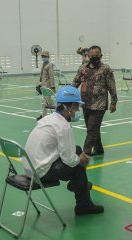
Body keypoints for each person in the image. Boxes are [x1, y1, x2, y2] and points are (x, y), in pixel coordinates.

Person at [24, 86, 104, 215]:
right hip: (41, 173)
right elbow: (69, 160)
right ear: (69, 107)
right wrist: (81, 159)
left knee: (77, 149)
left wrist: (78, 156)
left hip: (29, 167)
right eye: (76, 107)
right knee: (78, 167)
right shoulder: (63, 126)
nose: (77, 110)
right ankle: (83, 205)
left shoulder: (47, 119)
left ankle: (77, 184)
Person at [72, 45, 118, 156]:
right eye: (92, 55)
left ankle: (85, 153)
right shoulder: (83, 68)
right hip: (85, 103)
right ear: (88, 55)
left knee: (92, 129)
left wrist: (113, 102)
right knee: (92, 128)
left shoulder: (106, 69)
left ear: (101, 56)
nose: (94, 57)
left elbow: (112, 86)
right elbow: (75, 83)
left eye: (97, 55)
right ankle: (99, 149)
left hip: (99, 104)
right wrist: (68, 95)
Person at [36, 50, 56, 121]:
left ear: (48, 57)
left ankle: (44, 116)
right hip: (43, 86)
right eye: (42, 56)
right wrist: (40, 84)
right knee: (49, 102)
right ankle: (57, 114)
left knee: (45, 102)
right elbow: (42, 76)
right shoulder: (43, 64)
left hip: (48, 86)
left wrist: (53, 87)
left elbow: (51, 76)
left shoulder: (50, 65)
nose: (43, 57)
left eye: (44, 56)